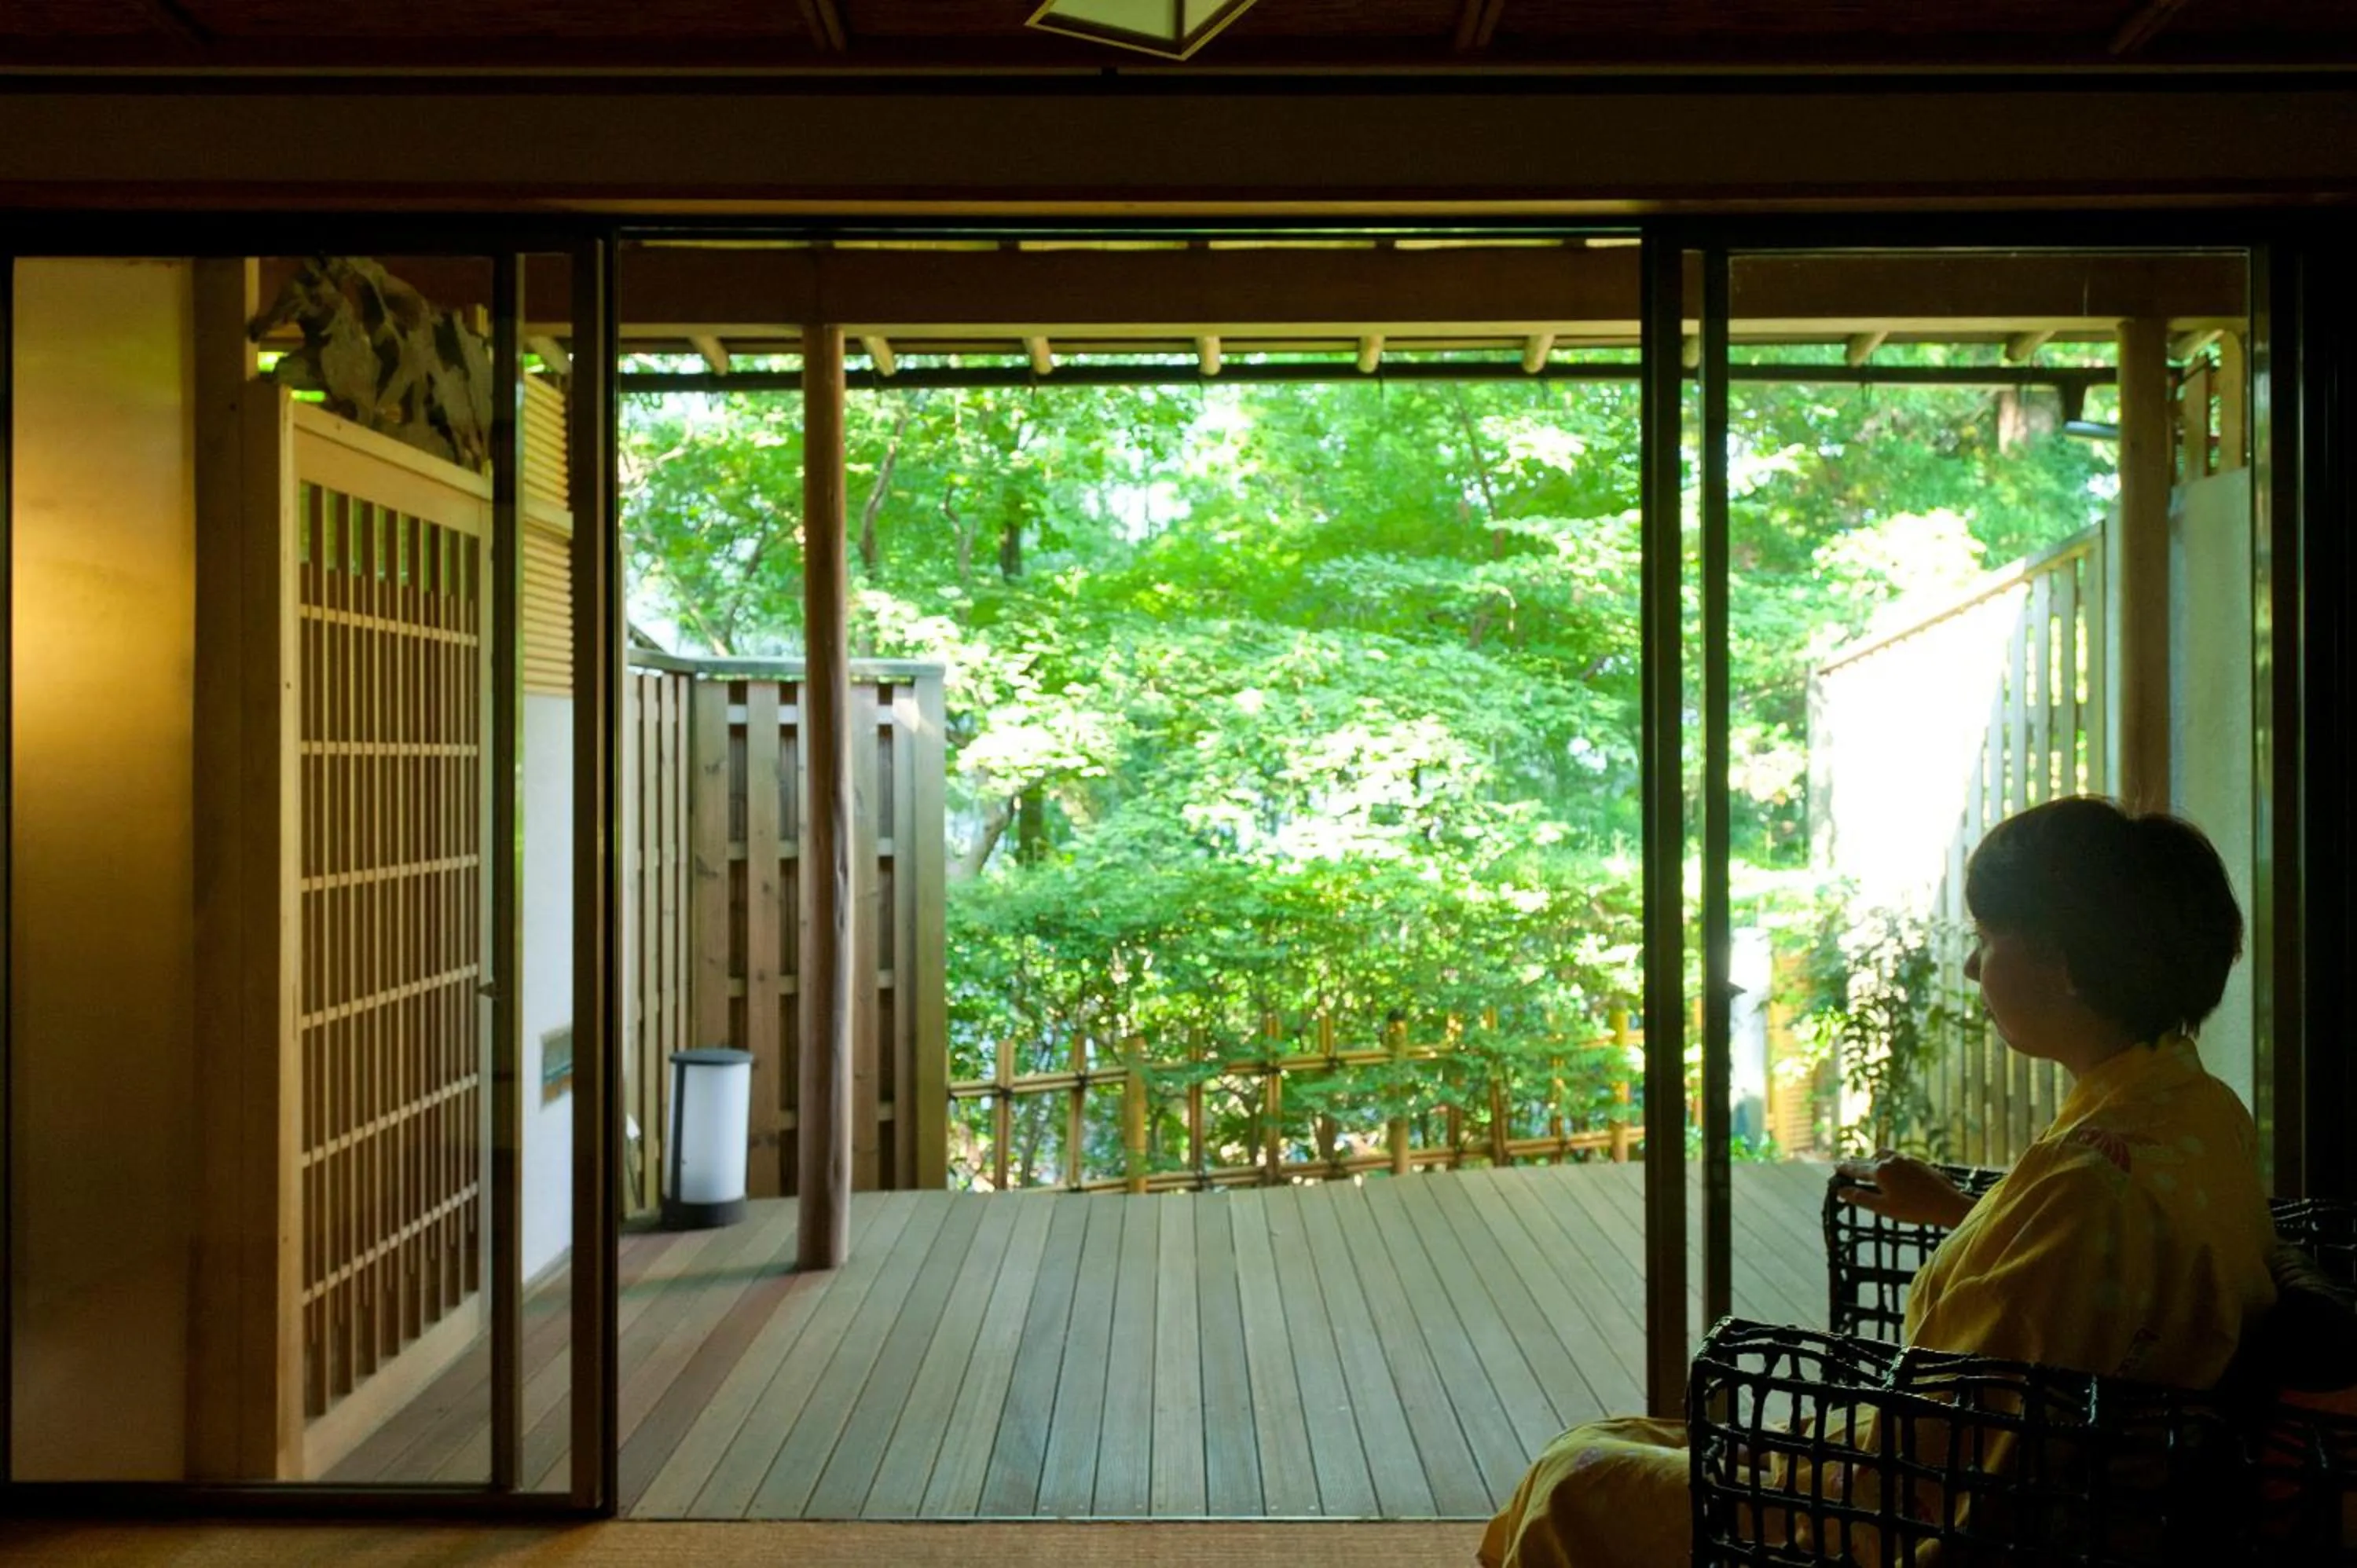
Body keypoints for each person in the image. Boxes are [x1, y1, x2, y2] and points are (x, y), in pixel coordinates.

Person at [1477, 797, 2278, 1568]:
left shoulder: (2085, 1188)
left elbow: (1946, 1465)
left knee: (1578, 1477)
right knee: (1624, 1441)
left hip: (1919, 1517)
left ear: (2063, 964)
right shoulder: (2198, 1113)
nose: (1971, 963)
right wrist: (1962, 1212)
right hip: (2090, 1490)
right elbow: (2094, 1289)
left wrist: (1795, 1468)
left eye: (1989, 935)